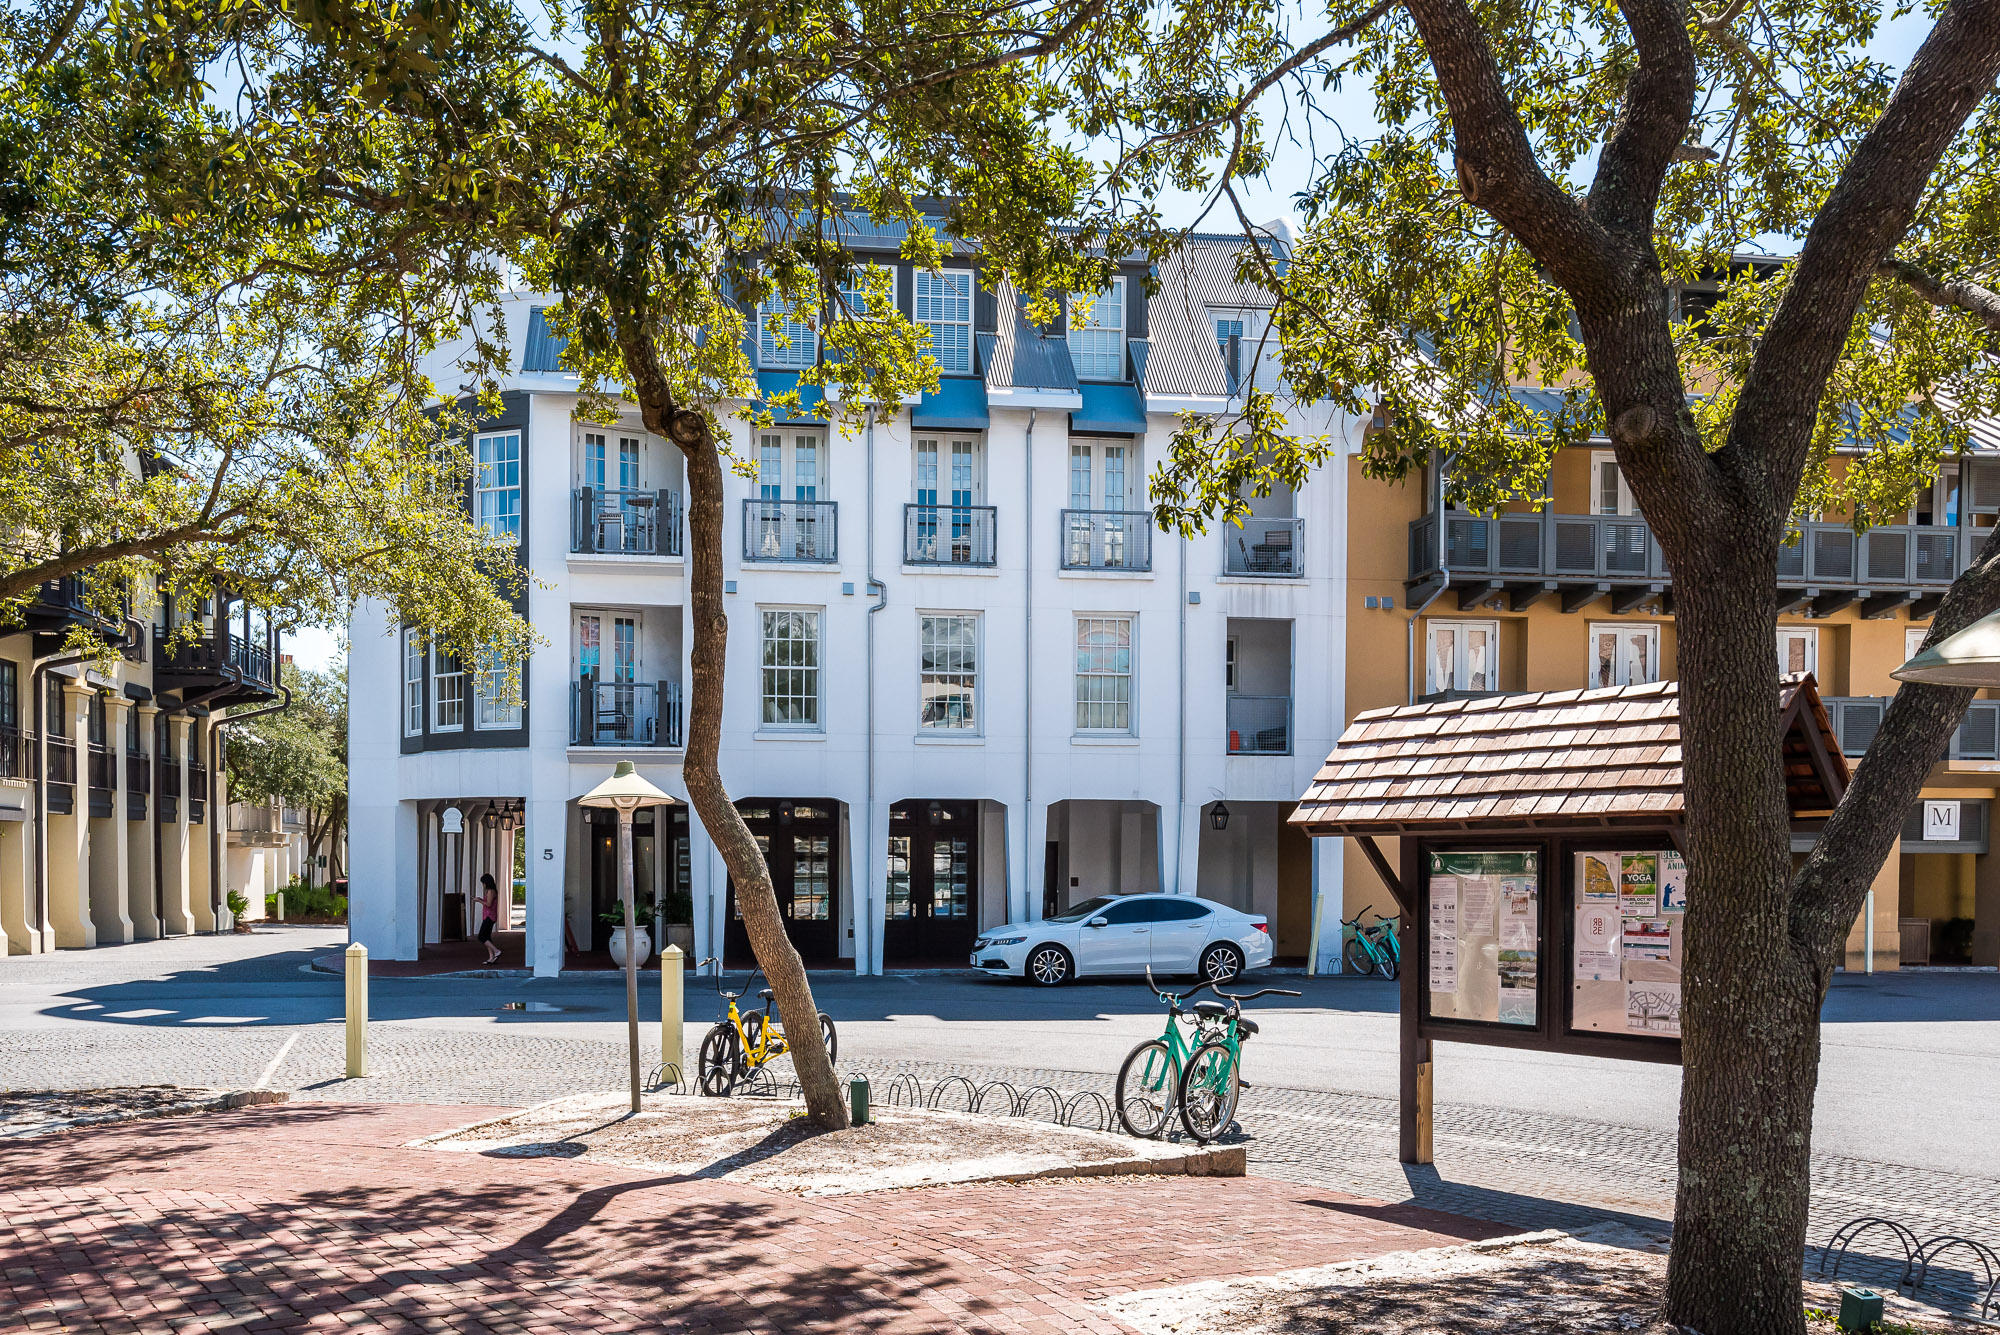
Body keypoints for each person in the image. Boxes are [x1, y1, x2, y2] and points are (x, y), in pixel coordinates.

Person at [477, 873, 502, 965]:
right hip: (488, 916)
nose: (483, 885)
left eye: (483, 883)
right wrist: (481, 899)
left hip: (489, 916)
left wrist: (478, 901)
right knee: (487, 937)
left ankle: (496, 951)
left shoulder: (491, 891)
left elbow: (489, 904)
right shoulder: (490, 891)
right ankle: (491, 957)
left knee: (481, 936)